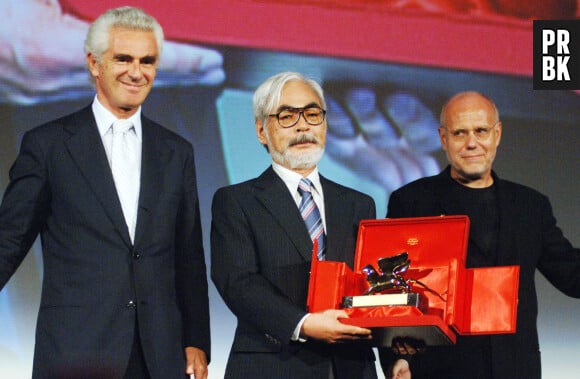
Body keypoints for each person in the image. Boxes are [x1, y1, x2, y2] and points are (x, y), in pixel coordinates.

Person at [0, 6, 210, 379]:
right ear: (94, 64)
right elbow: (8, 240)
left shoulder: (176, 151)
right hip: (76, 350)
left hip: (159, 354)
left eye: (147, 61)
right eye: (123, 58)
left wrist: (196, 340)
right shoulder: (48, 145)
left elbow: (188, 255)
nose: (136, 71)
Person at [380, 91, 580, 379]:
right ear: (443, 138)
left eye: (481, 131)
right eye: (460, 133)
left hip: (514, 369)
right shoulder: (412, 201)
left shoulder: (530, 206)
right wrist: (395, 359)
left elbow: (571, 274)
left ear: (497, 134)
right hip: (438, 369)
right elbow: (387, 287)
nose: (471, 143)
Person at [211, 71, 378, 378]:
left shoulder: (359, 203)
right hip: (272, 365)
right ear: (262, 130)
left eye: (313, 114)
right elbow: (237, 282)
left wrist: (397, 344)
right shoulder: (236, 201)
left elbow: (371, 285)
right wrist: (304, 324)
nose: (303, 125)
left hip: (351, 366)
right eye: (287, 116)